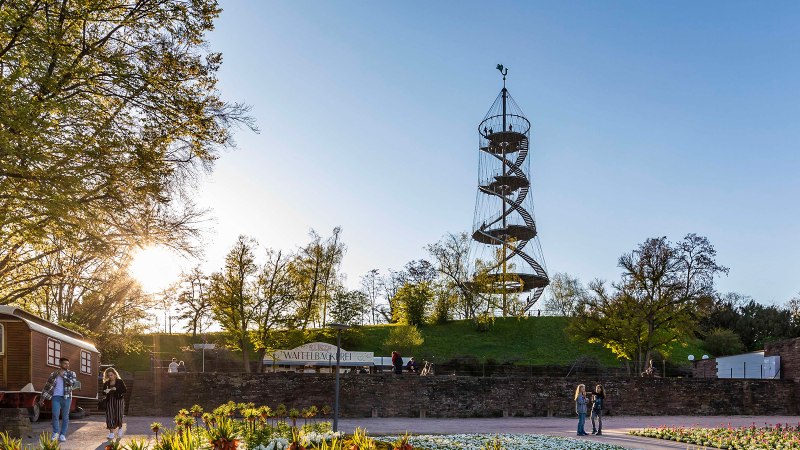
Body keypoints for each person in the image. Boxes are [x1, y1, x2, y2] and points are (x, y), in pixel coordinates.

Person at [39, 357, 77, 442]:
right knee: (55, 414)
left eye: (68, 364)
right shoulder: (53, 374)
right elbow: (47, 386)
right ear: (60, 364)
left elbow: (72, 383)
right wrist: (42, 398)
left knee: (65, 416)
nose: (67, 365)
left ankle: (62, 434)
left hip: (67, 397)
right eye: (65, 363)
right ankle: (55, 433)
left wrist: (63, 376)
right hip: (56, 397)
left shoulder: (71, 373)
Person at [102, 368, 127, 440]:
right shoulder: (106, 383)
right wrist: (105, 392)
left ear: (115, 375)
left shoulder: (119, 381)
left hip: (118, 400)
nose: (110, 377)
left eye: (111, 375)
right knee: (109, 415)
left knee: (119, 414)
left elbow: (125, 390)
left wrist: (116, 389)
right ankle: (111, 433)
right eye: (108, 375)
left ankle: (120, 429)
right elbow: (103, 392)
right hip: (109, 400)